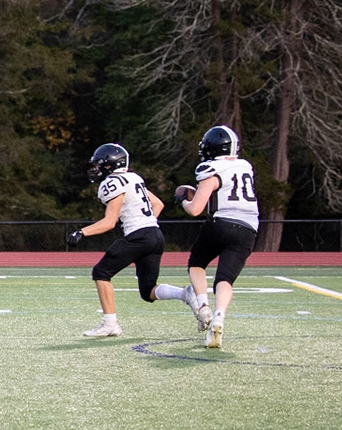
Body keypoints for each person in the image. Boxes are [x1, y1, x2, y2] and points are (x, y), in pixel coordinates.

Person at [67, 143, 195, 338]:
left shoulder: (113, 182)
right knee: (147, 291)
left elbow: (109, 222)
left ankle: (110, 324)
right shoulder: (134, 178)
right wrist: (146, 223)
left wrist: (81, 232)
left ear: (110, 164)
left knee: (101, 272)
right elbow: (158, 204)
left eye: (100, 164)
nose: (97, 169)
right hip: (155, 235)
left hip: (139, 236)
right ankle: (185, 294)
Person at [175, 125, 260, 349]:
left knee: (196, 264)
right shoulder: (245, 166)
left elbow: (195, 209)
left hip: (221, 223)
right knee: (225, 279)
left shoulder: (211, 168)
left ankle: (204, 308)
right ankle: (220, 316)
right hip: (249, 227)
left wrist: (183, 198)